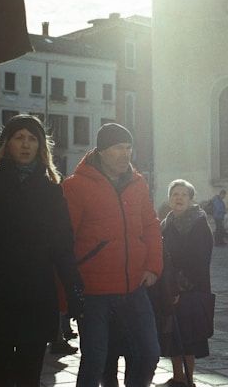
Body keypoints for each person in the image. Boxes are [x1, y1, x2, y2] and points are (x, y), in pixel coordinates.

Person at [0, 114, 84, 386]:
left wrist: (74, 289)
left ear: (41, 146)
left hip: (35, 296)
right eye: (19, 138)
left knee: (29, 377)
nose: (26, 144)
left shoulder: (51, 190)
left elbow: (63, 245)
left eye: (32, 139)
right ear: (6, 144)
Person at [62, 123, 163, 387]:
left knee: (149, 354)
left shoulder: (137, 183)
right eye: (118, 148)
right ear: (102, 151)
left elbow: (151, 225)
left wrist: (153, 266)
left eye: (129, 148)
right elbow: (65, 239)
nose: (125, 154)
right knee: (96, 359)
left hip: (134, 287)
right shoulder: (75, 186)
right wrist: (66, 292)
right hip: (94, 291)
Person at [149, 179, 214, 387]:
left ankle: (187, 379)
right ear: (169, 199)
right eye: (175, 194)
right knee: (172, 336)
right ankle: (177, 377)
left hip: (191, 290)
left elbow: (200, 260)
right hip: (169, 289)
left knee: (187, 337)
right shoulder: (166, 223)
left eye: (183, 195)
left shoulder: (198, 223)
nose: (179, 198)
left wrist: (179, 288)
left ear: (190, 199)